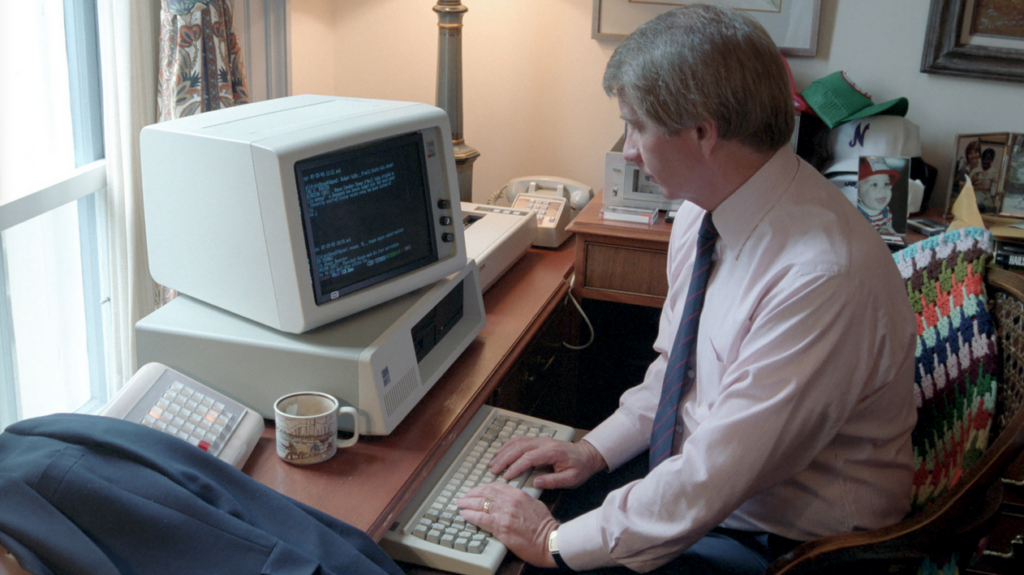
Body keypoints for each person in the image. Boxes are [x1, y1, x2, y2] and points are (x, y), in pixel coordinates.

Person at [456, 5, 916, 575]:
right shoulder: (707, 214)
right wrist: (592, 451)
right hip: (719, 493)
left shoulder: (818, 280)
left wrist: (552, 542)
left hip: (795, 546)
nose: (627, 149)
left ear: (702, 132)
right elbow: (679, 373)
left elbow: (714, 475)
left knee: (511, 566)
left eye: (636, 125)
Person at [856, 157, 898, 234]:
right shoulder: (855, 214)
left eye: (886, 184)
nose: (883, 190)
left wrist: (890, 233)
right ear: (857, 191)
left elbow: (889, 231)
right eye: (874, 184)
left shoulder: (886, 212)